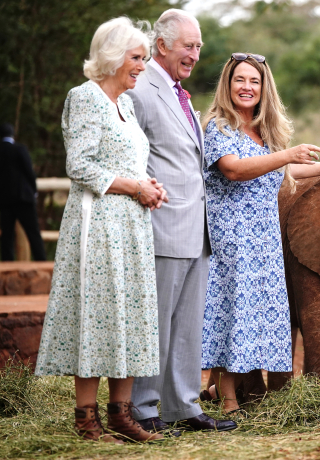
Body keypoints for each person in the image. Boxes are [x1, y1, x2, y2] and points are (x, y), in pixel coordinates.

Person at [199, 53, 320, 415]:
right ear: (227, 85)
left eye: (254, 81)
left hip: (264, 238)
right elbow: (236, 170)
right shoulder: (219, 126)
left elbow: (280, 176)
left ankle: (222, 390)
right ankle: (228, 401)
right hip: (235, 237)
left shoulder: (264, 130)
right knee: (235, 312)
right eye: (240, 80)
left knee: (253, 314)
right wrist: (287, 154)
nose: (247, 87)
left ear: (263, 88)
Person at [35, 17, 168, 443]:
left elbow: (129, 162)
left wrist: (148, 185)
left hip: (130, 223)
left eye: (145, 59)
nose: (142, 67)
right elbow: (79, 164)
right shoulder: (85, 98)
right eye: (136, 57)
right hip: (97, 223)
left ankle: (121, 414)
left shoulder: (126, 105)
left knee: (129, 313)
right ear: (112, 56)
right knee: (97, 312)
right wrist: (133, 185)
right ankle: (85, 419)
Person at [125, 9, 235, 434]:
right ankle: (143, 408)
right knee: (156, 323)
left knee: (189, 326)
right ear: (162, 46)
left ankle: (183, 407)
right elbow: (130, 158)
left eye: (199, 46)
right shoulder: (140, 89)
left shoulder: (179, 93)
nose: (195, 53)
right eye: (188, 45)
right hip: (160, 224)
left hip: (197, 227)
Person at [0, 123, 47, 261]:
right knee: (33, 232)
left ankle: (7, 263)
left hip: (4, 198)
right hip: (23, 197)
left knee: (7, 235)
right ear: (13, 134)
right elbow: (29, 172)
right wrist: (34, 191)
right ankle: (41, 261)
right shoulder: (20, 149)